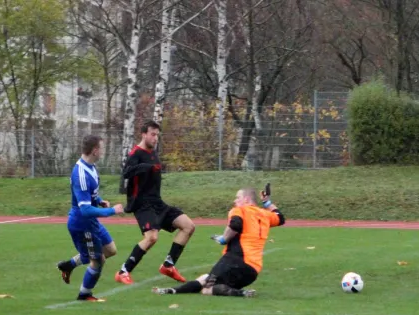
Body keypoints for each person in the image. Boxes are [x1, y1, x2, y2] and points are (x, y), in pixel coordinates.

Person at [151, 186, 285, 297]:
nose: (235, 200)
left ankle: (241, 293)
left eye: (237, 197)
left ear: (246, 199)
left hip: (235, 261)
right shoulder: (265, 214)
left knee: (207, 289)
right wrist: (267, 202)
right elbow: (280, 218)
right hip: (253, 271)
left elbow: (236, 224)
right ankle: (171, 291)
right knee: (205, 278)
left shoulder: (240, 210)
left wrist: (224, 239)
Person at [116, 120, 195, 285]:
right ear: (144, 134)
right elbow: (126, 173)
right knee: (152, 237)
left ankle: (169, 265)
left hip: (157, 203)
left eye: (157, 135)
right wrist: (147, 167)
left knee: (188, 226)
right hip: (142, 204)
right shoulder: (136, 154)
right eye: (152, 134)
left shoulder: (153, 153)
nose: (155, 138)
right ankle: (123, 271)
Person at [57, 134, 124, 302]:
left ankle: (68, 265)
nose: (102, 151)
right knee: (97, 260)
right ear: (95, 150)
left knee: (110, 250)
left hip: (91, 222)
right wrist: (111, 211)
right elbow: (85, 210)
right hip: (82, 224)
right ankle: (84, 294)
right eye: (101, 148)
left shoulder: (91, 167)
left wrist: (99, 201)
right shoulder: (80, 174)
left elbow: (89, 196)